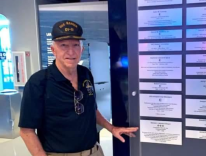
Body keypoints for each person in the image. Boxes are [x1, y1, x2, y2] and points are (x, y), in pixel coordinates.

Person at [18, 20, 138, 156]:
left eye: (75, 45)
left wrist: (111, 128)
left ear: (82, 49)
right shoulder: (38, 82)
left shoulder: (85, 73)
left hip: (94, 151)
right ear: (53, 50)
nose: (71, 51)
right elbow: (26, 131)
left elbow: (91, 109)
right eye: (64, 45)